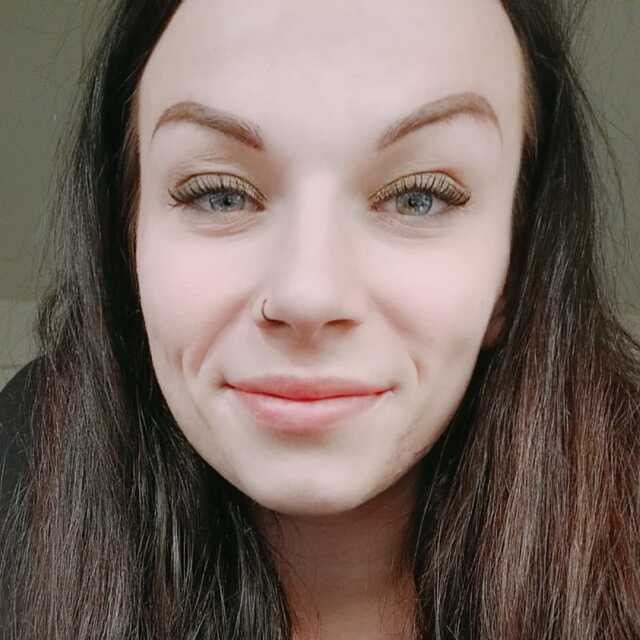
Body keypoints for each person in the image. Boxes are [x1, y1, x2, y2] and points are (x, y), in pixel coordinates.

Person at [1, 0, 638, 638]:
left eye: (419, 198)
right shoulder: (24, 456)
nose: (308, 296)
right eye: (219, 194)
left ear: (516, 264)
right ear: (129, 239)